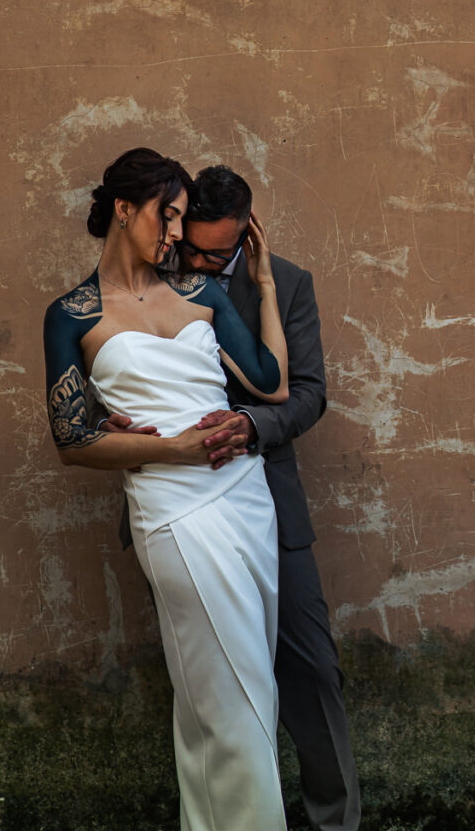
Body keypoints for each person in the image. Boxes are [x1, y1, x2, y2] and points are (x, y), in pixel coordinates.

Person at [103, 165, 361, 831]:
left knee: (310, 672)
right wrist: (108, 420)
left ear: (247, 235)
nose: (193, 261)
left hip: (266, 502)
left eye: (215, 254)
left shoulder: (289, 284)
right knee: (209, 687)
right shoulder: (142, 274)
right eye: (188, 245)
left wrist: (251, 426)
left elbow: (306, 392)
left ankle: (333, 824)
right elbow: (105, 369)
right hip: (178, 510)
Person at [43, 148, 291, 830]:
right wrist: (171, 447)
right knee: (234, 690)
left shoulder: (201, 294)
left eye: (181, 219)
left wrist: (264, 285)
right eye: (167, 215)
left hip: (244, 498)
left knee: (225, 690)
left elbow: (269, 381)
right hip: (172, 510)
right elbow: (71, 441)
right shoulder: (70, 315)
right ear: (123, 210)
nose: (176, 234)